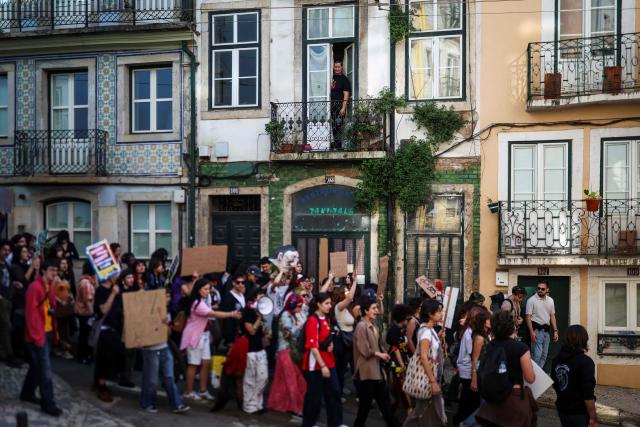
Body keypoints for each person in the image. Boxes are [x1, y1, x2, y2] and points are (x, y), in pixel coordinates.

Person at [180, 278, 240, 401]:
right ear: (199, 290)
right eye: (205, 289)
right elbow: (213, 314)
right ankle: (188, 391)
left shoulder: (202, 300)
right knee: (193, 364)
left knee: (206, 363)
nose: (208, 291)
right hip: (195, 337)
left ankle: (203, 390)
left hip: (204, 335)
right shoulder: (197, 303)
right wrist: (232, 314)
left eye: (209, 288)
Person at [476, 310, 537, 427]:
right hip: (513, 399)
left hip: (492, 400)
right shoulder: (521, 348)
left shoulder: (490, 345)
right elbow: (530, 378)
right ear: (512, 326)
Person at [20, 258, 63, 416]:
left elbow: (51, 307)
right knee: (45, 370)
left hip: (47, 331)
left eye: (56, 270)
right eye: (52, 270)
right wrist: (38, 338)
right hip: (38, 335)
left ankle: (27, 393)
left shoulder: (49, 287)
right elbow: (30, 315)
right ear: (44, 270)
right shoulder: (34, 287)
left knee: (36, 367)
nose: (54, 273)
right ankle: (48, 403)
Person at [140, 289, 191, 414]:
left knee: (169, 377)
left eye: (169, 296)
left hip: (164, 347)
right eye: (165, 296)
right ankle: (147, 403)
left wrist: (165, 324)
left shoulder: (167, 312)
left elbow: (168, 333)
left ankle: (176, 404)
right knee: (151, 380)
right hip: (150, 350)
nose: (167, 299)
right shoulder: (147, 311)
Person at [353, 296, 399, 427]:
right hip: (367, 372)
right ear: (366, 311)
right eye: (373, 308)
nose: (376, 311)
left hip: (376, 371)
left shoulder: (374, 326)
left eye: (376, 308)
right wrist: (379, 354)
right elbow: (365, 350)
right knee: (365, 408)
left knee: (384, 405)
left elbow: (378, 346)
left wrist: (384, 352)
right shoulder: (361, 326)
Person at [301, 292, 344, 427]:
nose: (329, 306)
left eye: (330, 303)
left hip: (328, 362)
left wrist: (329, 345)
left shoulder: (326, 318)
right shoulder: (313, 321)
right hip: (316, 366)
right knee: (314, 398)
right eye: (326, 303)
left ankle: (335, 423)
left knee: (334, 393)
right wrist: (323, 366)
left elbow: (323, 340)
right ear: (318, 304)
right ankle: (309, 423)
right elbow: (313, 347)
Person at [402, 299, 447, 427]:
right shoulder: (426, 332)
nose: (441, 314)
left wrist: (438, 337)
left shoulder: (429, 330)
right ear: (430, 314)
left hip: (431, 378)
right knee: (423, 412)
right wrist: (433, 381)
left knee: (427, 411)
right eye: (438, 312)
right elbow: (423, 356)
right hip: (428, 379)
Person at [267, 293, 307, 415]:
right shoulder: (285, 315)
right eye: (299, 306)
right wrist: (299, 327)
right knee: (292, 380)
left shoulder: (290, 314)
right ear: (293, 305)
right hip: (285, 351)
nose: (300, 308)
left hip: (287, 351)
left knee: (286, 380)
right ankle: (295, 407)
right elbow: (289, 334)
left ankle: (288, 405)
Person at [551, 325, 597, 427]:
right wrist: (593, 418)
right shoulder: (585, 362)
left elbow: (555, 384)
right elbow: (588, 395)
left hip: (562, 409)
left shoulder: (556, 360)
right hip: (579, 413)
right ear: (583, 340)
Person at [454, 306, 491, 427]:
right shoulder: (471, 333)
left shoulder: (471, 332)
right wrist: (474, 378)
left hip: (469, 370)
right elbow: (474, 357)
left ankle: (460, 420)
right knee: (470, 403)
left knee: (468, 402)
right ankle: (461, 422)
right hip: (468, 371)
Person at [93, 275, 125, 402]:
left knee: (113, 359)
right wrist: (112, 294)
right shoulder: (101, 290)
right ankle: (101, 387)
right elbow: (103, 310)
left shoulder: (117, 288)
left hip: (116, 329)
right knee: (104, 359)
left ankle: (100, 382)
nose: (118, 275)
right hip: (105, 330)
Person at [241, 290, 269, 414]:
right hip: (250, 350)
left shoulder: (261, 312)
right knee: (250, 379)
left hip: (260, 349)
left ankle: (258, 403)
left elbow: (261, 333)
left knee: (263, 377)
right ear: (255, 298)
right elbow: (251, 330)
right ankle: (248, 405)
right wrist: (259, 318)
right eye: (260, 297)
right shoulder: (248, 311)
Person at [9, 245, 38, 361]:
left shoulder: (27, 266)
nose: (27, 254)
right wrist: (31, 267)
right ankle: (18, 350)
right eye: (24, 252)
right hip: (19, 299)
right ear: (19, 254)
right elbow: (23, 280)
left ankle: (26, 350)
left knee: (26, 325)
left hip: (28, 298)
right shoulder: (15, 267)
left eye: (27, 252)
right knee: (19, 326)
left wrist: (35, 269)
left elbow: (33, 281)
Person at [332, 273, 357, 395]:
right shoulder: (339, 307)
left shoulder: (347, 309)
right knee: (341, 368)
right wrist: (355, 282)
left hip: (349, 340)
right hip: (342, 341)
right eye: (346, 291)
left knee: (349, 367)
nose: (348, 293)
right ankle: (338, 391)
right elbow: (351, 298)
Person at [525, 280, 558, 369]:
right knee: (536, 356)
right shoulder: (531, 300)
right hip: (536, 331)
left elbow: (552, 315)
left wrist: (555, 331)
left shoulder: (551, 300)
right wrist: (531, 332)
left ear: (547, 289)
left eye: (542, 289)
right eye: (538, 288)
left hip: (546, 332)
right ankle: (533, 376)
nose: (540, 290)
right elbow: (528, 317)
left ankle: (537, 375)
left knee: (544, 355)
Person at [386, 303, 412, 412]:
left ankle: (391, 406)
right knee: (402, 384)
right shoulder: (394, 330)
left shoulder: (403, 329)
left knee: (397, 386)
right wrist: (402, 364)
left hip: (402, 360)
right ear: (402, 318)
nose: (409, 320)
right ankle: (409, 409)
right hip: (395, 362)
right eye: (407, 318)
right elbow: (396, 349)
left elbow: (404, 348)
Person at [0, 239, 22, 368]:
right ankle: (9, 355)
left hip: (8, 299)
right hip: (2, 300)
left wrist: (14, 284)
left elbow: (7, 281)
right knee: (6, 327)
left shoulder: (6, 265)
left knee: (4, 327)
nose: (6, 253)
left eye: (8, 251)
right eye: (4, 250)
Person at [74, 261, 96, 364]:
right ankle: (83, 355)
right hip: (85, 311)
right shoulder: (86, 282)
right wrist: (92, 313)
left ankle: (84, 354)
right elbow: (87, 299)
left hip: (83, 310)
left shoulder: (87, 280)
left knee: (85, 334)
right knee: (85, 335)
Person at [220, 273, 247, 346]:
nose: (241, 284)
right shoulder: (227, 296)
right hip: (231, 333)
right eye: (238, 282)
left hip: (241, 331)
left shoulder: (242, 295)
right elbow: (224, 316)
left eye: (243, 282)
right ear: (233, 283)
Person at [330, 60, 351, 150]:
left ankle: (339, 146)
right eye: (335, 67)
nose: (337, 69)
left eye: (338, 67)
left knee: (338, 126)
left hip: (339, 107)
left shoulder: (344, 79)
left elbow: (346, 94)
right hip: (330, 106)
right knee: (332, 126)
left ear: (341, 67)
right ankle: (334, 144)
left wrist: (343, 108)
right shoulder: (332, 78)